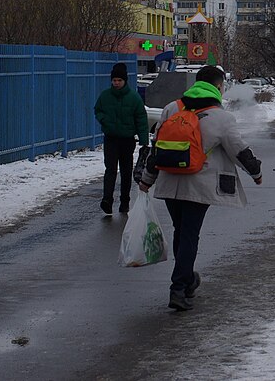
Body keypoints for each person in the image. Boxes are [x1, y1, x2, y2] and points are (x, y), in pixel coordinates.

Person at [139, 66, 263, 312]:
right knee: (189, 235)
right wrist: (256, 172)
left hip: (169, 183)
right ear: (218, 87)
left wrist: (147, 179)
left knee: (181, 231)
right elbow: (238, 149)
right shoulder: (222, 117)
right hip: (198, 184)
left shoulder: (172, 108)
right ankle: (179, 286)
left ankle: (186, 281)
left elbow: (157, 148)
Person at [94, 62, 149, 215]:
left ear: (125, 81)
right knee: (110, 169)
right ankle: (107, 200)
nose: (116, 83)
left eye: (119, 80)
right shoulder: (105, 96)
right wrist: (104, 120)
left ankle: (125, 201)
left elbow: (141, 119)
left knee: (126, 171)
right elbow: (97, 110)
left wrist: (144, 141)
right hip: (111, 139)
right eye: (114, 80)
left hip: (127, 140)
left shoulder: (133, 97)